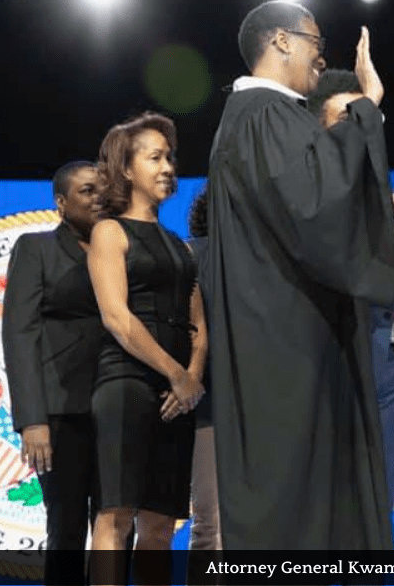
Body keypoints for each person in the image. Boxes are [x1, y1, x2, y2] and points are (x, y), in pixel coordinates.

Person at [201, 0, 394, 550]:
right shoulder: (266, 114)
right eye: (315, 42)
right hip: (289, 341)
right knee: (296, 505)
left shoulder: (264, 117)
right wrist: (366, 108)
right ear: (282, 41)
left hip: (290, 331)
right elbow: (316, 206)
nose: (322, 57)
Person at [87, 112, 206, 585]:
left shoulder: (182, 248)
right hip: (125, 385)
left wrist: (192, 377)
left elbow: (200, 323)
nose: (168, 166)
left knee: (160, 525)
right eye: (155, 157)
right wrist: (175, 373)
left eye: (170, 157)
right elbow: (117, 317)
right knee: (116, 518)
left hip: (180, 395)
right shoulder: (109, 233)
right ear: (126, 169)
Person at [306, 68, 394, 505]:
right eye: (347, 117)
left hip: (390, 365)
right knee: (330, 497)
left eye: (366, 117)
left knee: (379, 498)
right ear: (317, 129)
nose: (359, 127)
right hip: (333, 358)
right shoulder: (310, 195)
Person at [2, 160, 102, 586]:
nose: (98, 197)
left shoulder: (123, 248)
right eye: (86, 191)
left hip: (117, 404)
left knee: (117, 524)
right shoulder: (35, 248)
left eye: (103, 189)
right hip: (60, 412)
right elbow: (19, 334)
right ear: (61, 203)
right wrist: (32, 419)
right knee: (66, 528)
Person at [184, 189, 220, 584]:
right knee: (212, 525)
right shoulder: (191, 256)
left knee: (210, 524)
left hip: (209, 408)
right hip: (212, 405)